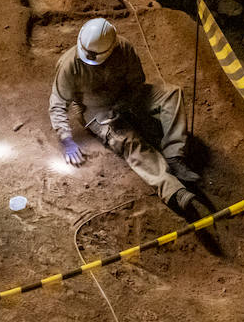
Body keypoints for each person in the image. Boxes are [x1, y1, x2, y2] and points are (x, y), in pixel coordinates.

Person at [49, 18, 212, 222]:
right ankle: (172, 190)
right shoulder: (69, 65)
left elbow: (137, 82)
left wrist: (125, 104)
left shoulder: (124, 48)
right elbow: (57, 103)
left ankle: (174, 154)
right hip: (95, 109)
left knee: (172, 94)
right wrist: (66, 139)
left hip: (125, 96)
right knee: (128, 139)